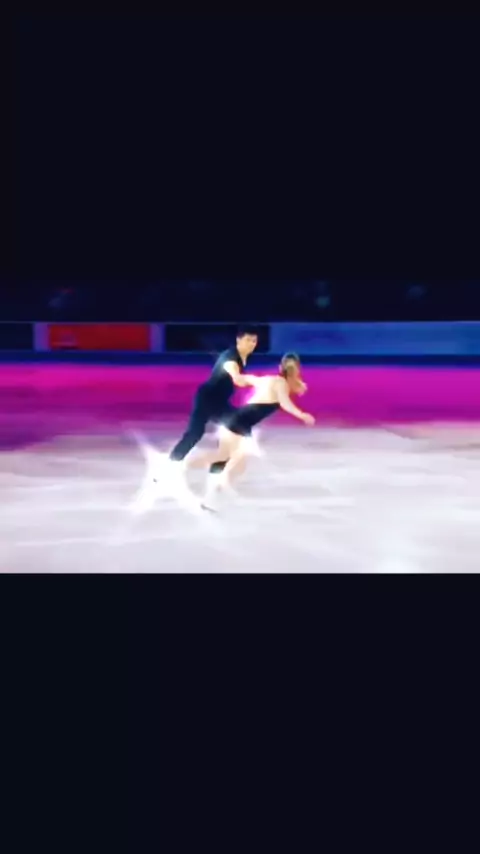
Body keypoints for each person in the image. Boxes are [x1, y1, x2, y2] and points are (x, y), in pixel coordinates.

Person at [187, 353, 314, 510]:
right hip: (239, 422)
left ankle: (210, 491)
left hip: (240, 420)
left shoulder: (271, 380)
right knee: (227, 459)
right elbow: (285, 403)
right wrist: (301, 414)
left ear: (280, 367)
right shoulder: (280, 384)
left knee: (233, 460)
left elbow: (248, 379)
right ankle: (188, 470)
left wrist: (236, 375)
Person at [153, 328, 260, 484]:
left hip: (220, 401)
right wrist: (254, 381)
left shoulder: (243, 357)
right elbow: (235, 375)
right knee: (194, 434)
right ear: (239, 340)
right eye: (248, 340)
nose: (251, 344)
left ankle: (218, 469)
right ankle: (166, 469)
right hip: (207, 399)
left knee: (242, 427)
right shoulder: (230, 357)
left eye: (254, 341)